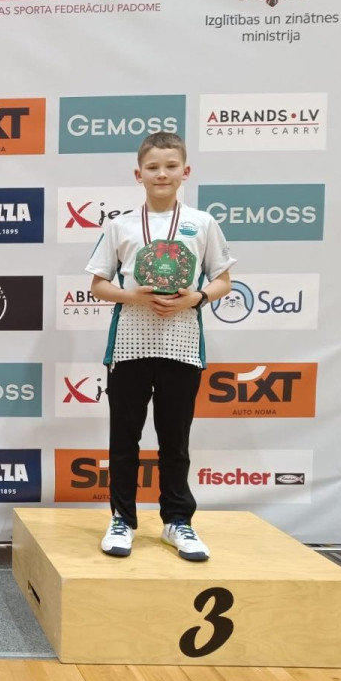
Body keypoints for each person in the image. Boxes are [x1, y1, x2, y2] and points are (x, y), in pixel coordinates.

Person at [85, 131, 235, 560]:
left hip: (182, 346)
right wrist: (134, 296)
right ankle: (122, 519)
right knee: (124, 439)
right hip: (129, 347)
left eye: (170, 166)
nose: (162, 174)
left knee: (175, 441)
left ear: (185, 171)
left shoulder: (203, 223)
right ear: (139, 175)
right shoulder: (120, 225)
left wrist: (196, 298)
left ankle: (178, 522)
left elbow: (223, 280)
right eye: (153, 167)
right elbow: (98, 285)